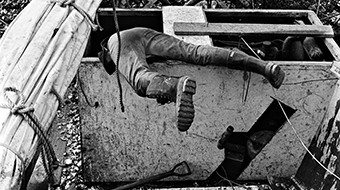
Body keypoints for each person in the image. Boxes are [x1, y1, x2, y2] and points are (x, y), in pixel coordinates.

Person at [98, 27, 285, 133]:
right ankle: (264, 67)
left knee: (138, 79)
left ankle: (175, 85)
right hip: (141, 32)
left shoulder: (109, 50)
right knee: (195, 52)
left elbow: (113, 68)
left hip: (117, 40)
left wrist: (167, 86)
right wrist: (161, 90)